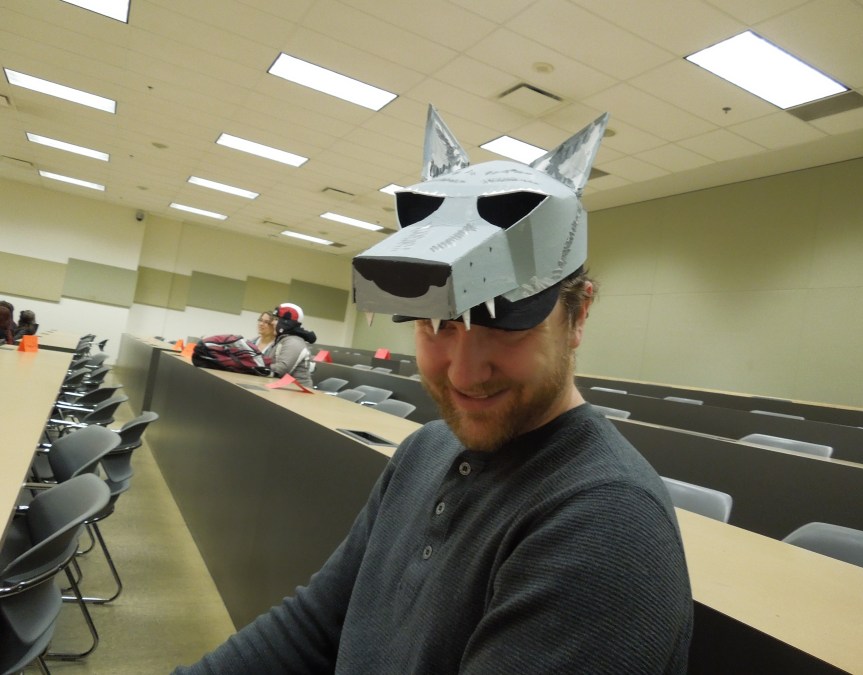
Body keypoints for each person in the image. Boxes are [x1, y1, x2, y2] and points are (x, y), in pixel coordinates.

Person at [173, 107, 692, 674]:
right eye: (436, 325)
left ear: (579, 315)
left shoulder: (606, 525)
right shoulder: (426, 449)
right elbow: (315, 626)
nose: (464, 374)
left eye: (507, 326)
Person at [269, 303, 317, 387]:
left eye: (276, 319)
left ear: (286, 322)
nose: (272, 322)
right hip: (287, 388)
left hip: (297, 391)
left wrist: (258, 367)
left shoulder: (294, 341)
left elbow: (281, 369)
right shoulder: (285, 339)